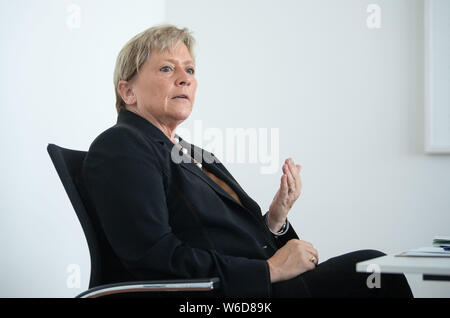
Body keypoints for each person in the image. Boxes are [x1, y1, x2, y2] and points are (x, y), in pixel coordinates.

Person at [81, 24, 413, 298]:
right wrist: (270, 269)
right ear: (128, 92)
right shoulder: (122, 145)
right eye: (167, 68)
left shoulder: (193, 152)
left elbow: (220, 236)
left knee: (376, 269)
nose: (185, 78)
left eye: (190, 69)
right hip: (225, 298)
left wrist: (275, 219)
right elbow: (154, 257)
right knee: (375, 270)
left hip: (256, 286)